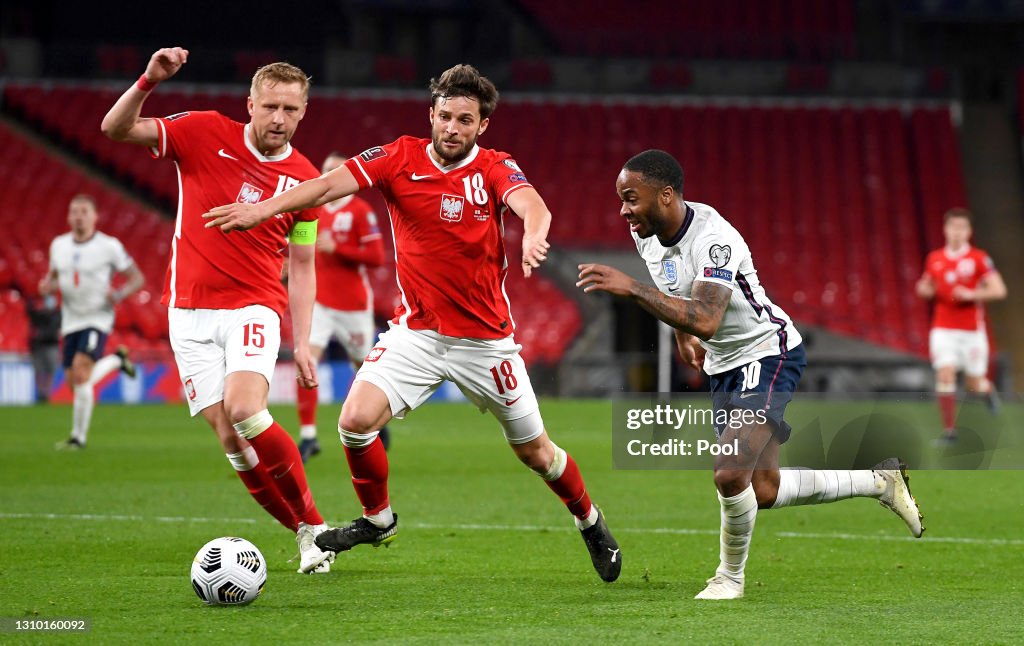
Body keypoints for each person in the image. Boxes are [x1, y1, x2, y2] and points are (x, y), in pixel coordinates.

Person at [204, 64, 622, 582]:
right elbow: (325, 187)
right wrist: (264, 209)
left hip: (487, 343)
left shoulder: (494, 167)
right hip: (417, 333)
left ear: (482, 125)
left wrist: (535, 232)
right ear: (431, 114)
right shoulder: (397, 156)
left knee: (536, 453)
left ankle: (590, 520)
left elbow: (530, 203)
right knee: (354, 423)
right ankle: (378, 520)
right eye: (444, 116)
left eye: (464, 120)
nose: (451, 128)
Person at [575, 149, 924, 599]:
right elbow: (679, 295)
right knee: (762, 488)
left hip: (767, 352)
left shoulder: (715, 239)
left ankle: (729, 579)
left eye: (630, 198)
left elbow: (705, 318)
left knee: (728, 473)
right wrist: (682, 335)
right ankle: (879, 481)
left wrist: (635, 290)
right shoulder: (647, 234)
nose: (623, 210)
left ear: (665, 195)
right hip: (725, 365)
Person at [100, 46, 333, 574]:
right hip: (187, 311)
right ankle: (304, 534)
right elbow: (114, 130)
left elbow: (301, 266)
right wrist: (147, 81)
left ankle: (316, 525)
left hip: (254, 306)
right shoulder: (203, 130)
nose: (279, 119)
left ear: (304, 112)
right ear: (249, 103)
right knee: (230, 438)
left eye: (291, 110)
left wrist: (303, 340)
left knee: (246, 410)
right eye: (270, 106)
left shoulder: (306, 181)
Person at [295, 152, 390, 462]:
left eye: (336, 170)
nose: (330, 175)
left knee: (363, 366)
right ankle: (308, 435)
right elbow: (299, 249)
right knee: (306, 361)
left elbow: (377, 257)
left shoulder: (361, 211)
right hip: (319, 302)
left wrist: (340, 249)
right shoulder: (313, 209)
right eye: (326, 170)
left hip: (353, 305)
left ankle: (375, 419)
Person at [41, 194, 143, 448]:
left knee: (81, 371)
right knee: (74, 382)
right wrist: (47, 285)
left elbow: (137, 278)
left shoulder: (109, 246)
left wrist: (118, 294)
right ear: (68, 216)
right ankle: (117, 360)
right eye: (74, 211)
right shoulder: (59, 245)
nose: (78, 216)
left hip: (97, 317)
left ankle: (78, 439)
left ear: (95, 217)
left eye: (84, 211)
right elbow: (53, 276)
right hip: (70, 319)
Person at [915, 207, 1006, 445]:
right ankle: (949, 432)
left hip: (971, 332)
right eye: (953, 227)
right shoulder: (934, 258)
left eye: (962, 227)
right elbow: (925, 286)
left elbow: (999, 290)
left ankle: (987, 391)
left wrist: (970, 293)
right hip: (943, 328)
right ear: (946, 229)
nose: (957, 232)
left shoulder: (978, 258)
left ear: (969, 231)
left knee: (973, 384)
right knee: (945, 373)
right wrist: (925, 289)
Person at [25, 291, 61, 403]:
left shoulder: (58, 315)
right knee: (39, 370)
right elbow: (31, 314)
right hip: (39, 346)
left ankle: (47, 394)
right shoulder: (40, 315)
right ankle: (41, 393)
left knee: (51, 371)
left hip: (52, 345)